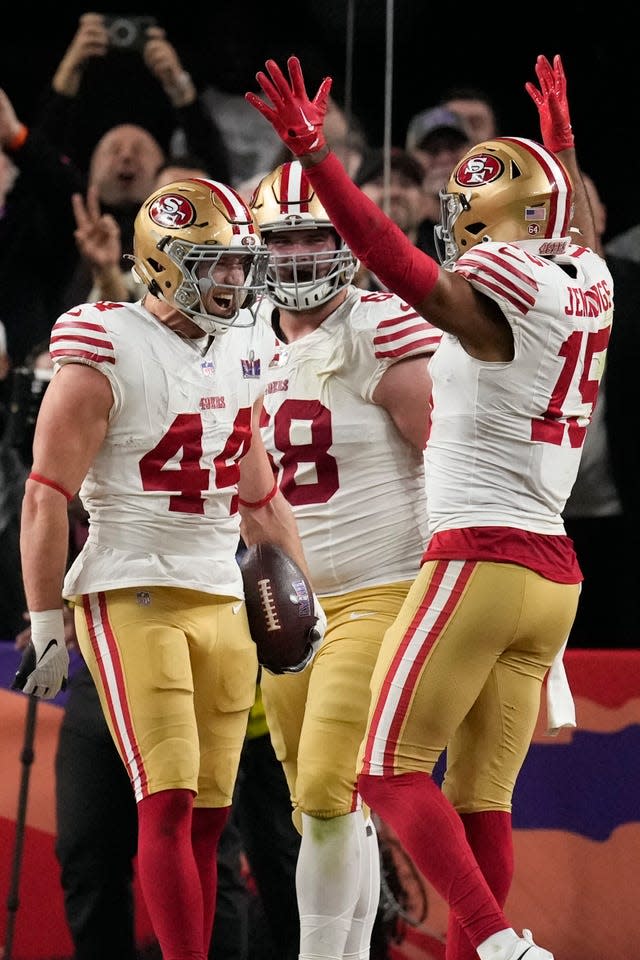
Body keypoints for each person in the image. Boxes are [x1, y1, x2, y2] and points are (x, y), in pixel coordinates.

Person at [246, 52, 613, 960]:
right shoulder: (589, 282)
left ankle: (494, 942)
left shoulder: (497, 304)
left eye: (464, 213)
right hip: (554, 574)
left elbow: (389, 257)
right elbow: (579, 227)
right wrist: (559, 149)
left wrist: (320, 163)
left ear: (493, 223)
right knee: (480, 800)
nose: (451, 226)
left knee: (381, 771)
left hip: (479, 558)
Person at [15, 175, 325, 960]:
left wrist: (309, 596)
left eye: (236, 263)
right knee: (168, 799)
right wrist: (47, 621)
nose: (233, 279)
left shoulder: (240, 352)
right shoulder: (105, 342)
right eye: (213, 263)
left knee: (212, 819)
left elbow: (261, 497)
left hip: (221, 595)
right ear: (161, 262)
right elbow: (45, 495)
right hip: (131, 586)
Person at [249, 158, 440, 960]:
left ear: (347, 242)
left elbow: (459, 464)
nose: (297, 257)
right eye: (282, 241)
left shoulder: (382, 330)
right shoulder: (235, 341)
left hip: (380, 590)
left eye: (316, 237)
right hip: (282, 603)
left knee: (328, 789)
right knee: (321, 805)